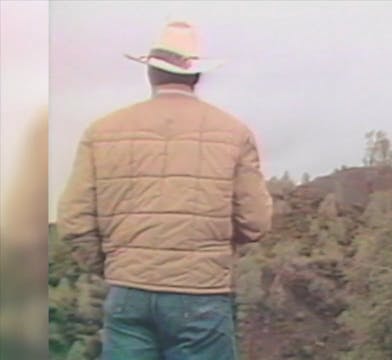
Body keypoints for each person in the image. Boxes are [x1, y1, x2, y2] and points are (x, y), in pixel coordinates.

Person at [57, 21, 273, 360]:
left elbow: (74, 220)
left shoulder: (101, 130)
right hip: (201, 292)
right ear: (197, 76)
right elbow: (255, 223)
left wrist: (113, 265)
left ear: (150, 74)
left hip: (128, 290)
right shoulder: (234, 132)